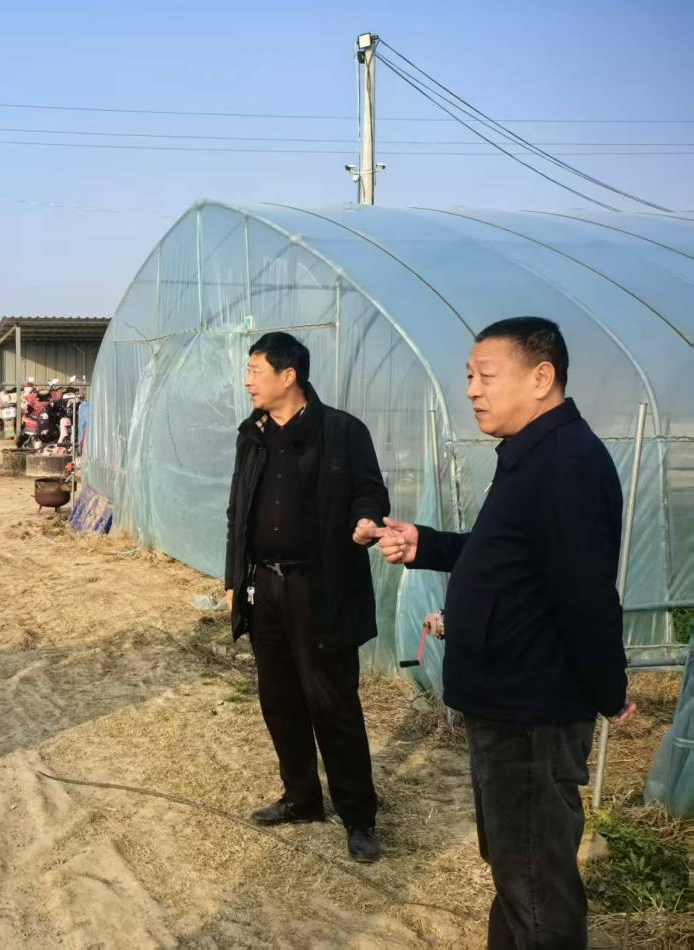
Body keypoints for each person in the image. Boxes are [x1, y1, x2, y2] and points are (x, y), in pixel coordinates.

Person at [374, 317, 633, 948]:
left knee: (536, 885)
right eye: (469, 376)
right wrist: (425, 544)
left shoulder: (567, 464)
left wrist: (609, 689)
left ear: (542, 378)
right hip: (508, 705)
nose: (471, 389)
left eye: (485, 375)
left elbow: (586, 597)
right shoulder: (533, 455)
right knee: (519, 874)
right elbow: (503, 554)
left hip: (531, 715)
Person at [225, 331, 389, 864]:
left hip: (322, 587)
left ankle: (359, 816)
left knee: (332, 702)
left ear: (288, 375)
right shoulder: (251, 435)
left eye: (255, 370)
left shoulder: (342, 431)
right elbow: (237, 511)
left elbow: (370, 490)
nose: (248, 381)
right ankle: (301, 797)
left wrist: (365, 520)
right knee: (278, 699)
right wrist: (233, 581)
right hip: (265, 586)